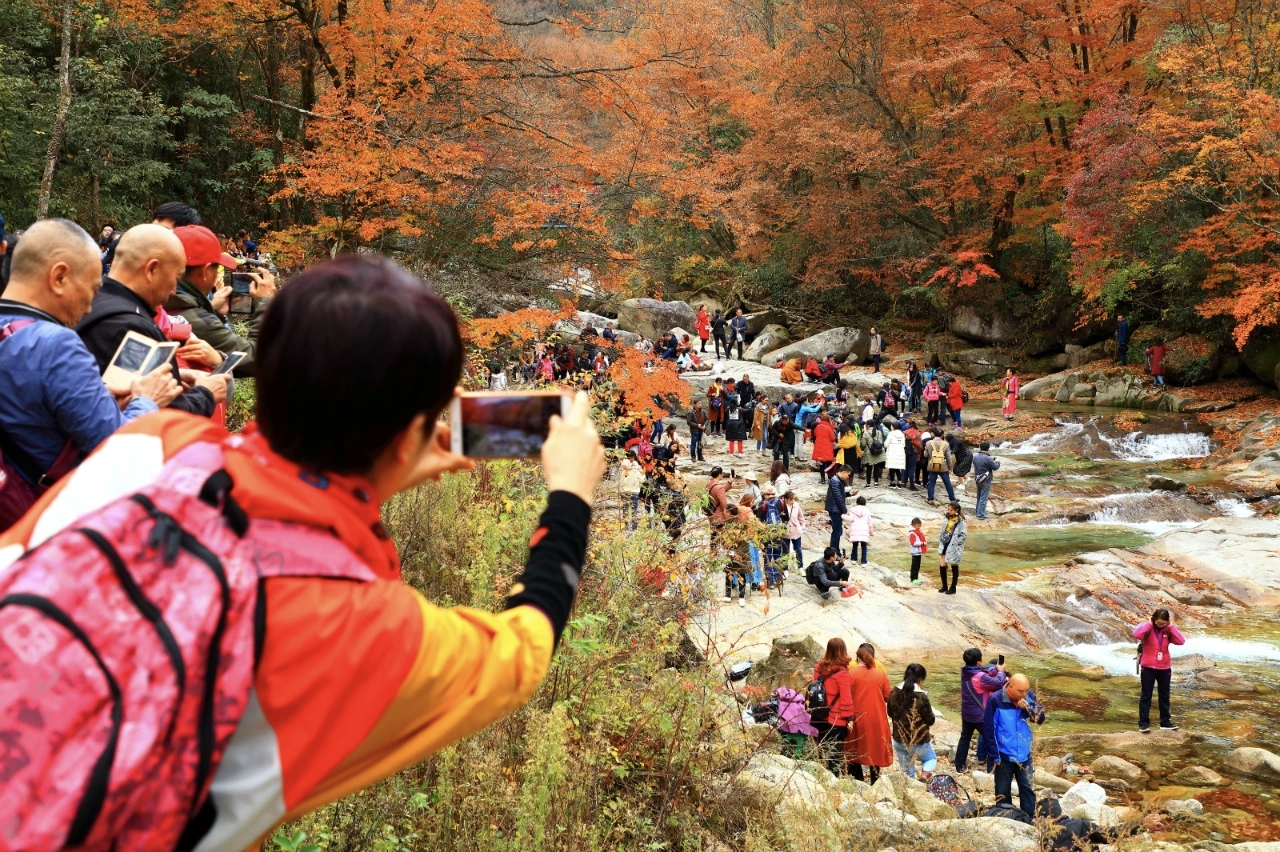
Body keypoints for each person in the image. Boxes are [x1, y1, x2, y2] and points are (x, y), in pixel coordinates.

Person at [0, 255, 607, 850]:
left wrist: (382, 469)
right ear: (407, 439)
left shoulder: (154, 439)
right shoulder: (366, 628)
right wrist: (571, 495)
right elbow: (523, 650)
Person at [0, 220, 181, 529]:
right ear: (59, 277)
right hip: (44, 519)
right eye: (92, 289)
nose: (88, 308)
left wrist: (98, 396)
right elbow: (116, 450)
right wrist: (146, 400)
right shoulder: (56, 345)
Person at [76, 224, 227, 417]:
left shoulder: (90, 302)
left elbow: (129, 384)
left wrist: (176, 376)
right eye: (175, 278)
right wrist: (206, 394)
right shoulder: (133, 327)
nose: (173, 291)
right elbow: (160, 415)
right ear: (151, 269)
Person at [167, 225, 276, 377]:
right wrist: (265, 302)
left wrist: (212, 311)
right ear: (205, 272)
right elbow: (258, 358)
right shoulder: (195, 319)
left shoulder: (162, 302)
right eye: (217, 268)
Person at [982, 673, 1046, 816]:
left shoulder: (1029, 696)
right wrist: (994, 756)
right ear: (1010, 687)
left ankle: (1028, 819)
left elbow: (1040, 719)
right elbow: (988, 730)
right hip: (1003, 756)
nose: (1024, 694)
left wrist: (1028, 708)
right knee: (1003, 792)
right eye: (1020, 691)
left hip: (1025, 755)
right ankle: (1005, 819)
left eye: (1026, 690)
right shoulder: (996, 700)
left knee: (1027, 789)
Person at [846, 643, 892, 783]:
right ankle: (875, 780)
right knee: (875, 747)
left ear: (858, 658)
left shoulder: (850, 674)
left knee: (854, 746)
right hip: (876, 717)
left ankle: (858, 780)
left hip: (856, 717)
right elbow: (888, 696)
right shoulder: (880, 674)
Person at [1134, 607, 1185, 733]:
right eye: (1158, 623)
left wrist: (1171, 627)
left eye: (1163, 623)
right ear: (1154, 620)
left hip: (1164, 667)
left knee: (1164, 696)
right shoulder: (1148, 628)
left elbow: (1181, 641)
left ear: (1167, 621)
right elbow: (1136, 634)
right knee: (1146, 696)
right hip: (1148, 667)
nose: (1160, 625)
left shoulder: (1168, 630)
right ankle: (1143, 724)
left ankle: (1165, 722)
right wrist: (1149, 624)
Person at [956, 649, 1007, 773]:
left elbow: (983, 674)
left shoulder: (965, 671)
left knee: (964, 739)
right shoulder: (980, 677)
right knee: (991, 740)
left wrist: (995, 669)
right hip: (980, 715)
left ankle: (959, 767)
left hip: (967, 713)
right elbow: (998, 683)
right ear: (979, 661)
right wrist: (1001, 671)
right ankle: (991, 770)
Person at [811, 638, 855, 774]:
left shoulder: (819, 666)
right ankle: (833, 778)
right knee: (835, 753)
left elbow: (815, 687)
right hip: (835, 718)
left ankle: (820, 775)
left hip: (818, 713)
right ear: (843, 650)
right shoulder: (842, 673)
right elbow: (846, 698)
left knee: (820, 749)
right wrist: (850, 718)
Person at [888, 663, 937, 780]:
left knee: (906, 771)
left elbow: (890, 713)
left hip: (899, 740)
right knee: (930, 759)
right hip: (919, 741)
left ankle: (909, 785)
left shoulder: (894, 691)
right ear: (920, 679)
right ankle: (924, 775)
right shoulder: (921, 696)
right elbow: (930, 720)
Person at [938, 501, 967, 594]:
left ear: (956, 510)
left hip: (954, 544)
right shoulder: (946, 517)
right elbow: (943, 529)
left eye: (951, 510)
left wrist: (957, 543)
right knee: (942, 563)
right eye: (948, 510)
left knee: (954, 564)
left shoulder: (961, 521)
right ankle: (944, 586)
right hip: (945, 542)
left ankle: (953, 587)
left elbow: (964, 535)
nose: (949, 511)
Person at [923, 429, 956, 503]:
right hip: (943, 467)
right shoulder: (946, 444)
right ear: (942, 435)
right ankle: (952, 499)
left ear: (934, 434)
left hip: (932, 466)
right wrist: (950, 468)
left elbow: (925, 455)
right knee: (947, 483)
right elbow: (949, 457)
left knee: (931, 483)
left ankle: (930, 499)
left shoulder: (928, 443)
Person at [826, 465, 852, 555]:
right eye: (848, 475)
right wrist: (845, 511)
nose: (848, 477)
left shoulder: (838, 480)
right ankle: (833, 553)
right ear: (844, 472)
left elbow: (840, 494)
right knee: (836, 532)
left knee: (838, 531)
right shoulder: (835, 481)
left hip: (836, 509)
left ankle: (836, 551)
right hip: (835, 510)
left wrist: (849, 494)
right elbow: (838, 498)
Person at [973, 441, 1000, 520]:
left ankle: (978, 512)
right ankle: (980, 515)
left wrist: (991, 460)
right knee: (983, 497)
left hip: (977, 478)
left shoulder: (975, 456)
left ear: (980, 447)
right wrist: (997, 462)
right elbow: (995, 467)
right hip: (986, 480)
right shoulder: (988, 458)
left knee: (979, 496)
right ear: (988, 448)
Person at [619, 450, 645, 529]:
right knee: (634, 509)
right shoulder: (638, 468)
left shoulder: (622, 466)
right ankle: (634, 527)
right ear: (633, 458)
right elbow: (642, 480)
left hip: (624, 490)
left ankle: (626, 526)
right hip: (634, 491)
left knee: (625, 509)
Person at [844, 495, 873, 565]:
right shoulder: (867, 511)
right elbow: (870, 524)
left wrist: (843, 516)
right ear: (865, 503)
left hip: (855, 529)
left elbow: (850, 519)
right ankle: (864, 562)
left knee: (855, 545)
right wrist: (871, 532)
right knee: (864, 546)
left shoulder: (853, 510)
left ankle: (853, 559)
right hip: (864, 529)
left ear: (857, 502)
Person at [860, 418, 887, 486]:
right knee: (876, 467)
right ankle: (876, 483)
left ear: (868, 425)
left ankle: (868, 484)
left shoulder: (866, 433)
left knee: (869, 468)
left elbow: (863, 444)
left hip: (869, 453)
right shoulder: (879, 432)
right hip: (878, 452)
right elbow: (881, 442)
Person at [812, 411, 836, 481]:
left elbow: (815, 434)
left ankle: (822, 479)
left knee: (821, 463)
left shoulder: (818, 427)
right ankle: (829, 478)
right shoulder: (829, 428)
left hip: (819, 447)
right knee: (829, 463)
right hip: (827, 447)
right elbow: (833, 438)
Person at [783, 489, 804, 568]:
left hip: (796, 531)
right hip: (785, 532)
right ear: (785, 499)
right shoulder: (781, 506)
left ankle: (800, 567)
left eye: (793, 499)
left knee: (798, 550)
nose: (792, 501)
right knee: (785, 551)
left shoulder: (796, 505)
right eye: (790, 500)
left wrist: (802, 527)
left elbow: (801, 518)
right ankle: (785, 569)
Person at [723, 389, 747, 457]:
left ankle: (731, 453)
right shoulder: (740, 409)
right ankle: (740, 452)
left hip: (730, 425)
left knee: (731, 439)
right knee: (739, 439)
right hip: (739, 425)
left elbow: (726, 414)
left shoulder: (728, 409)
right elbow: (745, 411)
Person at [884, 420, 906, 487]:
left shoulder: (891, 434)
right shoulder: (902, 434)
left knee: (892, 468)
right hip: (900, 453)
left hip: (892, 453)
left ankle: (892, 482)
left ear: (893, 427)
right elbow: (904, 445)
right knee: (897, 468)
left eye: (891, 426)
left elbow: (886, 444)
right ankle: (899, 482)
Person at [907, 517, 927, 586]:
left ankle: (916, 578)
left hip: (918, 552)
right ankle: (913, 579)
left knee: (918, 566)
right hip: (915, 552)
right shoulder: (912, 533)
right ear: (914, 525)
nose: (919, 527)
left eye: (920, 526)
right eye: (918, 526)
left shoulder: (917, 532)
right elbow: (913, 543)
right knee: (914, 566)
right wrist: (922, 543)